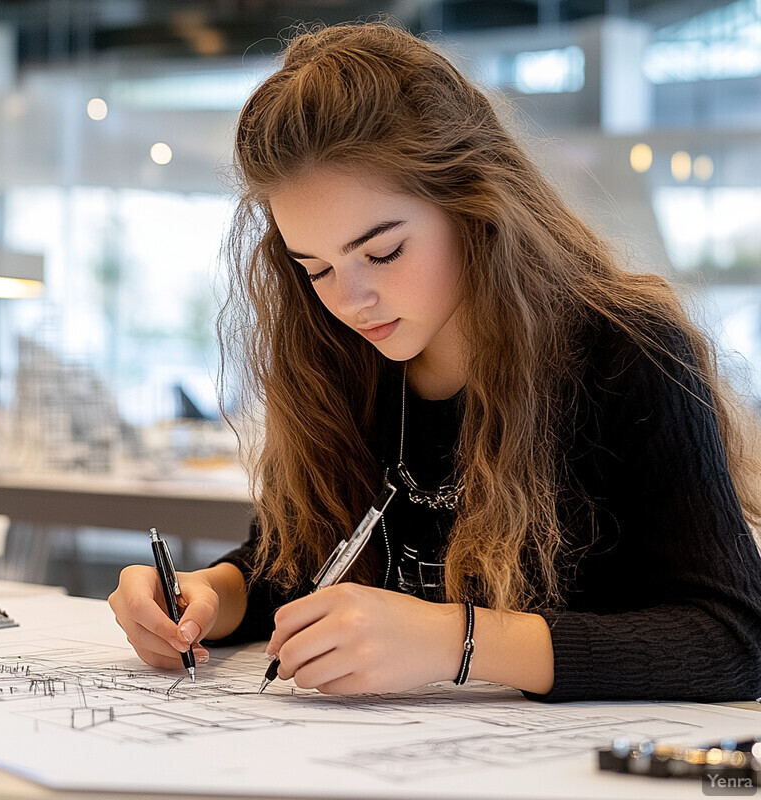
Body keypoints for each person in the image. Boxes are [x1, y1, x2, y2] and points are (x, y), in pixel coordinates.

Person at [109, 20, 761, 702]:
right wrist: (210, 593)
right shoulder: (337, 358)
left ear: (474, 202)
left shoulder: (624, 350)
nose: (352, 301)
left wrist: (455, 642)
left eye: (383, 252)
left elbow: (733, 637)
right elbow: (300, 566)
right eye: (316, 268)